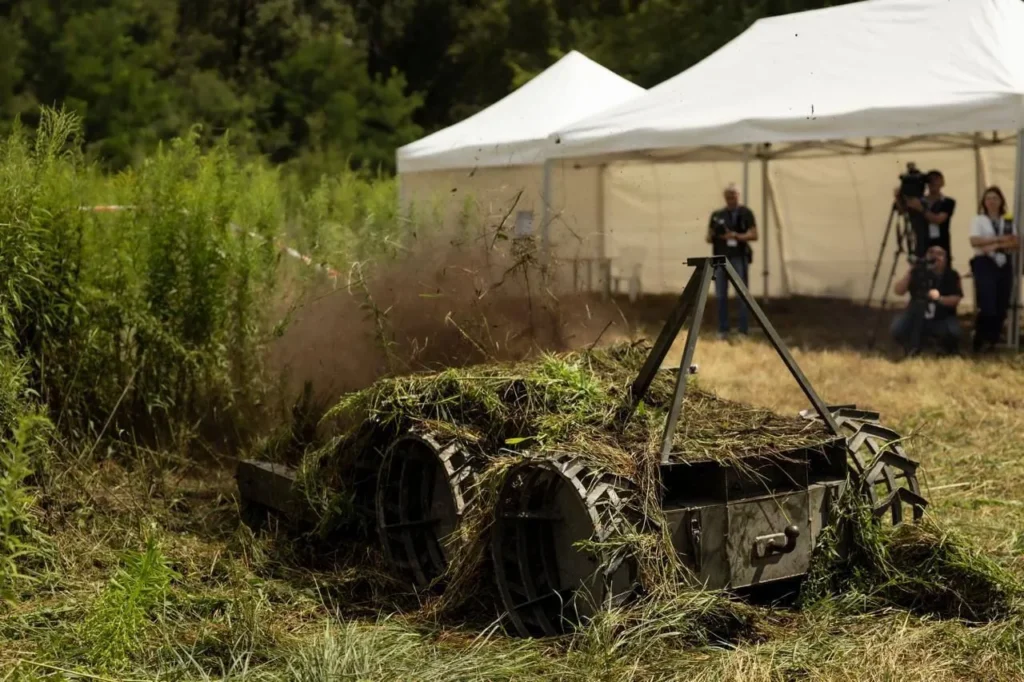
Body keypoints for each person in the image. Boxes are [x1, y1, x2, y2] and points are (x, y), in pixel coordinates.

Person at [968, 185, 1018, 354]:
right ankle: (980, 338)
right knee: (988, 302)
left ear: (1001, 201)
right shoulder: (978, 220)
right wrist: (999, 240)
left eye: (995, 198)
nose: (991, 201)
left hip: (1004, 263)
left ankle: (992, 339)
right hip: (984, 263)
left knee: (1002, 302)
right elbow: (975, 242)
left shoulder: (1008, 220)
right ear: (984, 201)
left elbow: (1015, 242)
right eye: (988, 198)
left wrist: (992, 243)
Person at [889, 245, 963, 356]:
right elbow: (898, 291)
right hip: (916, 315)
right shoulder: (918, 272)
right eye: (931, 252)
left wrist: (940, 298)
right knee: (897, 328)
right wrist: (911, 271)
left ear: (946, 259)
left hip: (941, 317)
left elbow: (956, 299)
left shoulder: (952, 275)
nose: (935, 256)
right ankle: (913, 345)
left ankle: (936, 344)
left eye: (940, 254)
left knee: (954, 332)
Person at [706, 183, 757, 338]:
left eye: (733, 196)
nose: (730, 199)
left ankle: (743, 330)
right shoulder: (717, 215)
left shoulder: (746, 213)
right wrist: (719, 235)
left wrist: (736, 236)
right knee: (721, 294)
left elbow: (754, 235)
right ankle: (723, 329)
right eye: (728, 196)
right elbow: (708, 237)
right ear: (724, 197)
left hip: (739, 257)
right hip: (721, 259)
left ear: (738, 196)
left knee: (741, 294)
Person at [904, 170, 956, 261]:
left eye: (937, 180)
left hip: (940, 243)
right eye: (931, 180)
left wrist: (921, 209)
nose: (934, 183)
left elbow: (938, 219)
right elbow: (904, 211)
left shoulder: (948, 202)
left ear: (942, 182)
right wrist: (899, 197)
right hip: (922, 242)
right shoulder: (920, 201)